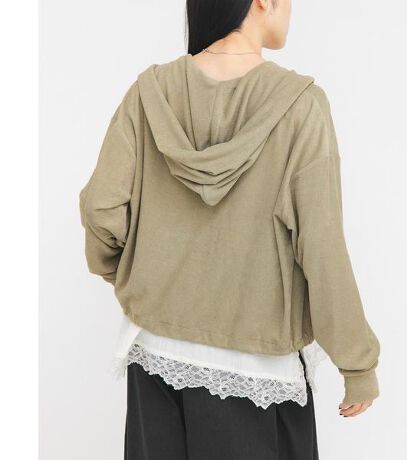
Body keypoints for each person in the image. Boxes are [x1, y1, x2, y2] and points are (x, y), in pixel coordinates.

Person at [78, 0, 381, 458]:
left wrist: (129, 273)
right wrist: (357, 364)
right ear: (261, 2)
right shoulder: (300, 106)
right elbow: (321, 245)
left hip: (156, 350)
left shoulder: (149, 93)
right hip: (256, 369)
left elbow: (101, 208)